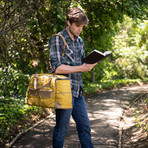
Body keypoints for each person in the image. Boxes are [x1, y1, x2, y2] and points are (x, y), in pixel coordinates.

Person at [49, 7, 96, 148]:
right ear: (68, 22)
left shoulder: (80, 41)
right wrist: (81, 68)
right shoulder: (57, 39)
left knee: (85, 127)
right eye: (77, 26)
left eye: (82, 27)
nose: (80, 29)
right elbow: (56, 68)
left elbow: (81, 63)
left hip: (78, 91)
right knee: (62, 129)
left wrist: (91, 62)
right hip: (64, 92)